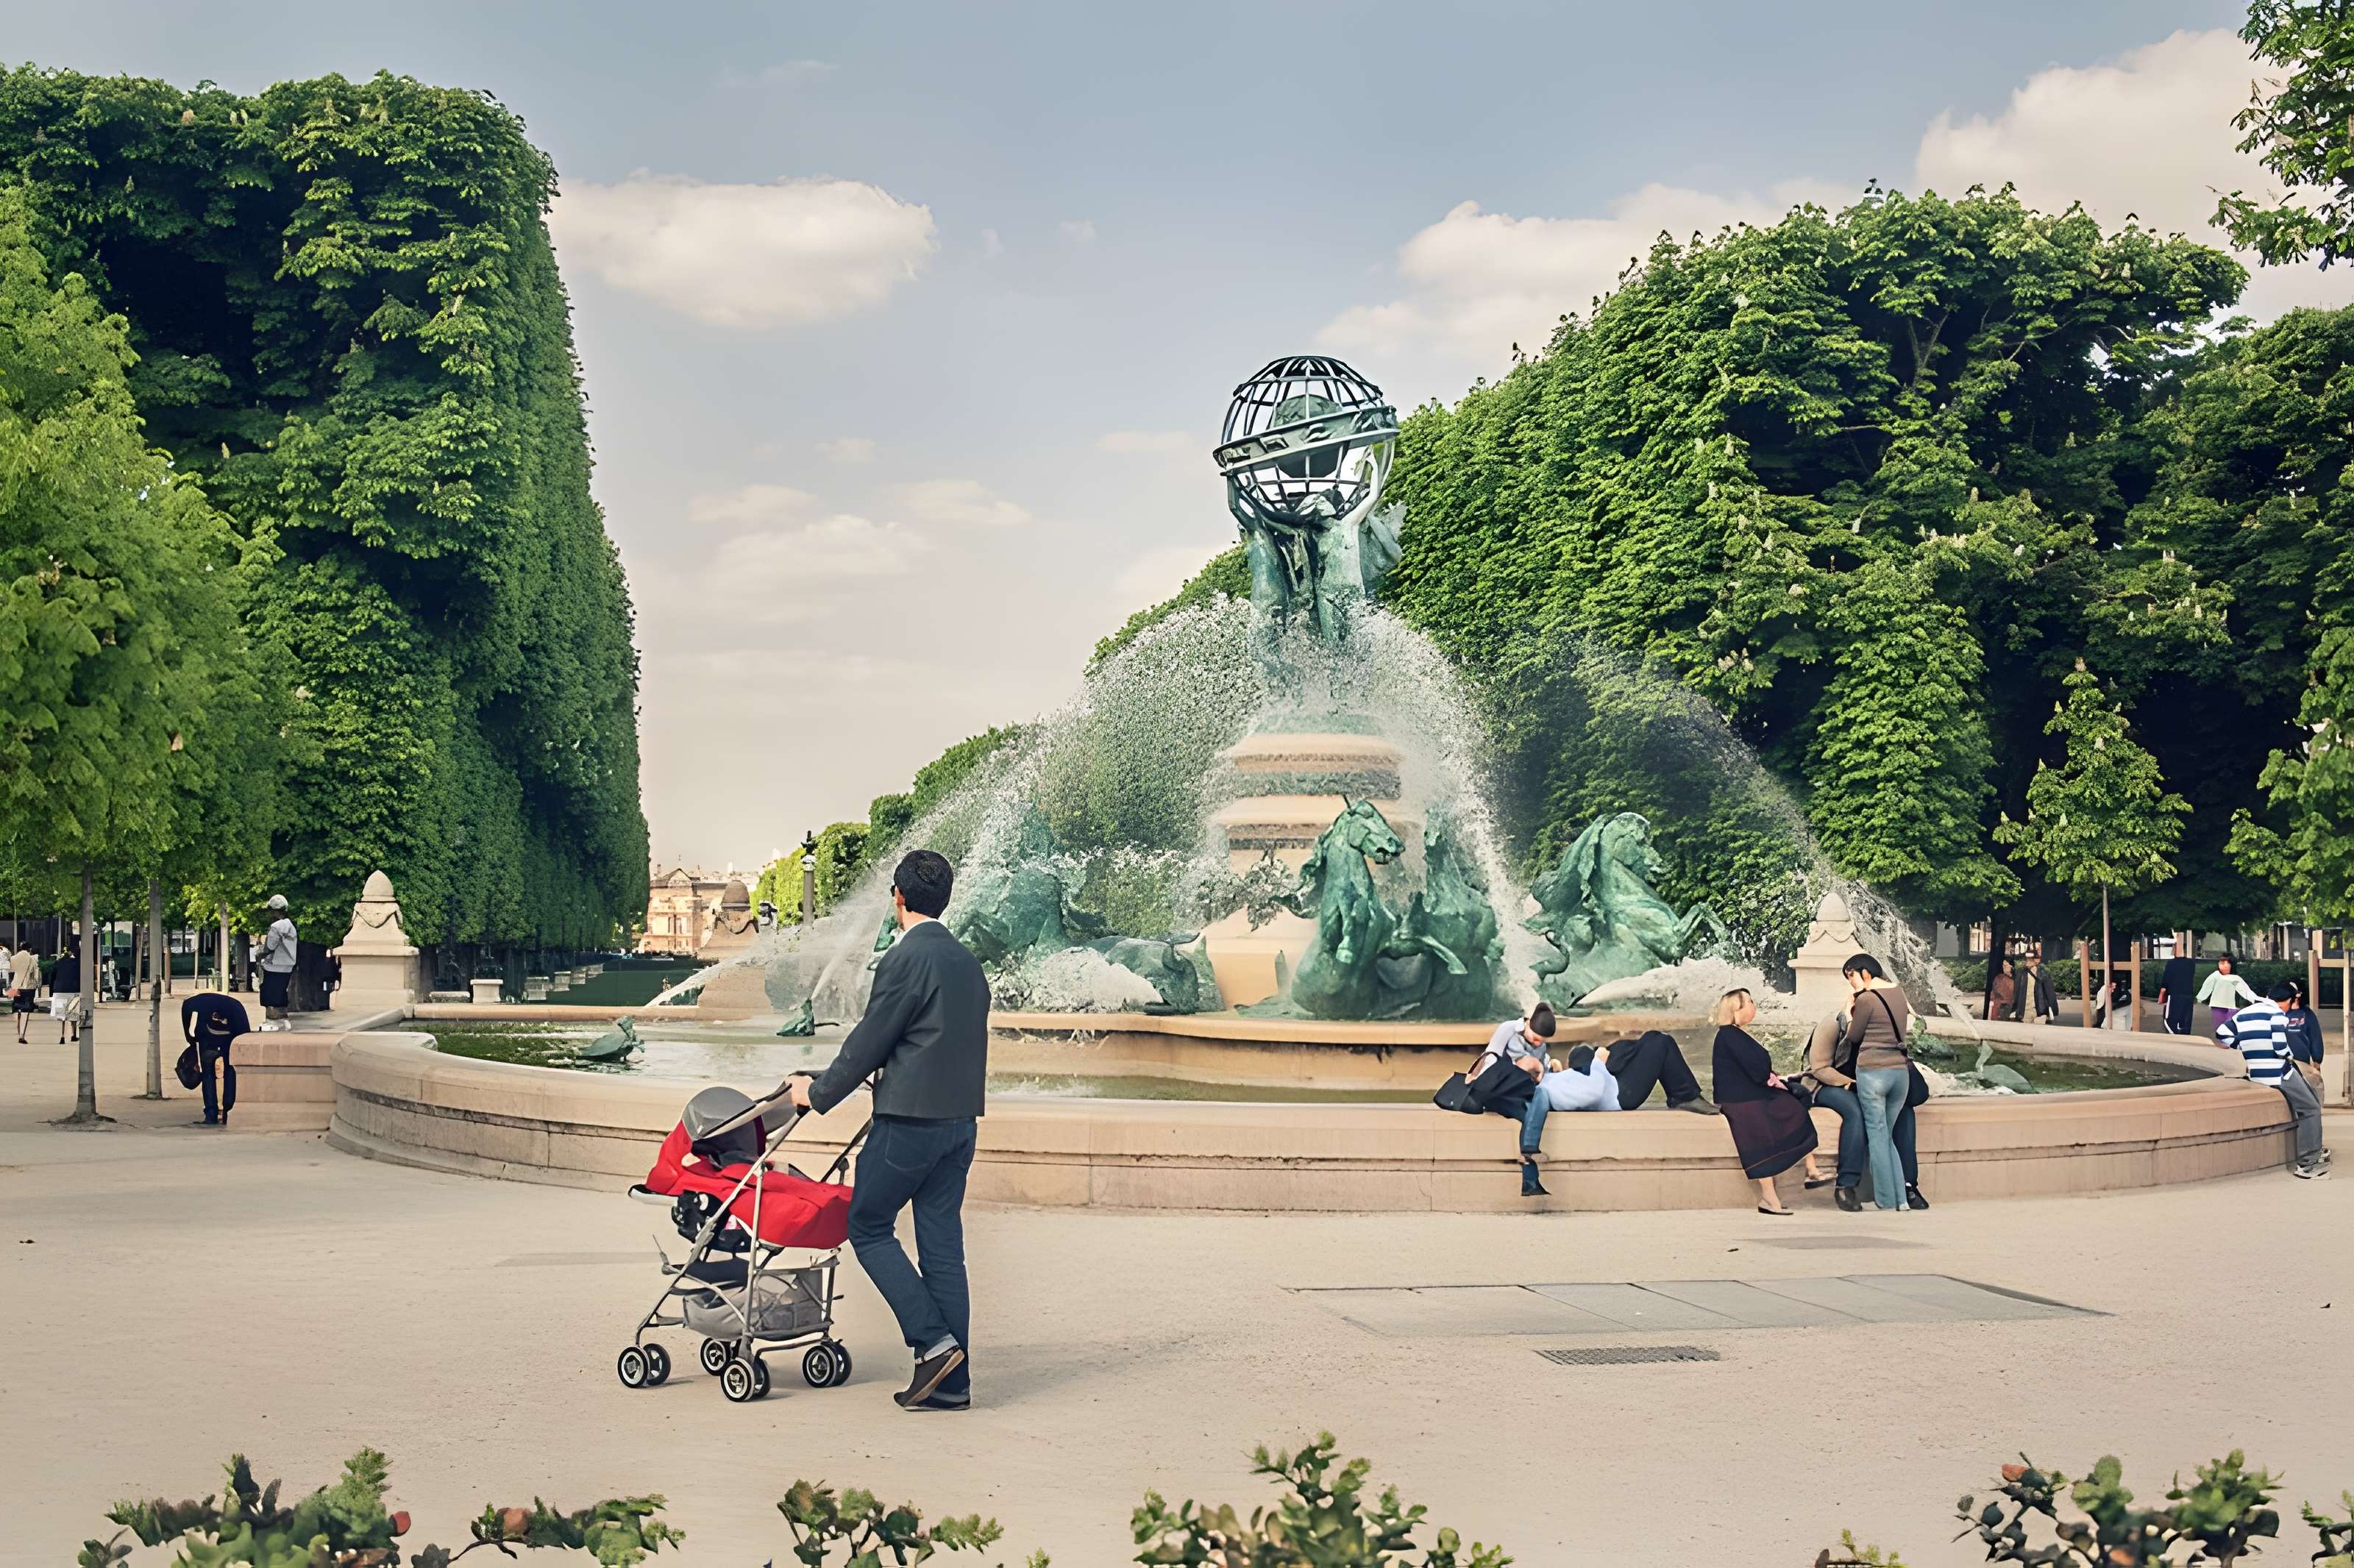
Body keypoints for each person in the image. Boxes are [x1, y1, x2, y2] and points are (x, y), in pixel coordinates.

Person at [784, 849, 989, 1411]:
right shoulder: (968, 963)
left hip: (909, 1125)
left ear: (897, 897)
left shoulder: (904, 960)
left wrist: (815, 1092)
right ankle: (953, 1383)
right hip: (960, 1125)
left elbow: (870, 1042)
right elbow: (931, 1042)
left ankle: (933, 1342)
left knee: (869, 1226)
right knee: (943, 1249)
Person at [1799, 1011, 1930, 1213]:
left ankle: (1908, 1185)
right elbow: (1820, 1068)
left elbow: (1918, 1094)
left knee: (1904, 1109)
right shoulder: (1834, 1024)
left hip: (1871, 1087)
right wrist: (1854, 1085)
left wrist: (1903, 1065)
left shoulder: (1888, 1035)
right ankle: (1846, 1185)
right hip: (1829, 1084)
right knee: (1855, 1110)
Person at [1710, 988, 1824, 1215]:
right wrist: (1770, 1078)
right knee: (1772, 1123)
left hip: (1747, 1095)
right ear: (1736, 1009)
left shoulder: (1733, 1034)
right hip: (1742, 1100)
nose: (1754, 1006)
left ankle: (1806, 1173)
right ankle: (1773, 1196)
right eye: (1749, 1002)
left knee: (1792, 1106)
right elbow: (1756, 1068)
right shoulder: (1730, 1035)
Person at [2218, 980, 2330, 1179]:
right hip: (2279, 1073)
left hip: (2256, 1073)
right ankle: (2309, 1164)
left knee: (2306, 1099)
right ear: (2286, 1000)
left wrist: (2243, 1047)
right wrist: (2288, 1054)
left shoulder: (2245, 1013)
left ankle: (2313, 1152)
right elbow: (2280, 1047)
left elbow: (2222, 1033)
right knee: (2311, 1108)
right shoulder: (2278, 1015)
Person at [1841, 954, 1913, 1211]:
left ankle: (1885, 1200)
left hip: (1873, 1072)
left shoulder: (1868, 999)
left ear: (1863, 972)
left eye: (1850, 976)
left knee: (1877, 1136)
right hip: (1900, 1074)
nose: (1850, 983)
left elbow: (1854, 1036)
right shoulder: (1899, 993)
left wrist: (1850, 1009)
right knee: (1887, 1137)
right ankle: (1902, 1200)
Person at [1465, 1003, 1558, 1196]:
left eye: (1542, 1041)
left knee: (1541, 1098)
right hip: (1497, 1091)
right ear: (1528, 1025)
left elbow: (1540, 1073)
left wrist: (1548, 1067)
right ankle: (1529, 1163)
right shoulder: (1508, 1029)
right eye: (1535, 1038)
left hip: (1518, 1095)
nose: (1537, 1043)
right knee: (1533, 1114)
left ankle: (1528, 1164)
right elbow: (1490, 1057)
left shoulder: (1541, 1047)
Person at [180, 989, 251, 1127]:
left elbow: (186, 1009)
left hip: (208, 1040)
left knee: (208, 1075)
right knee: (231, 1072)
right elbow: (244, 1031)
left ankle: (211, 1115)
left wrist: (188, 1035)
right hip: (230, 1040)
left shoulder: (195, 1002)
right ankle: (228, 1112)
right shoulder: (235, 1006)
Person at [258, 895, 298, 1027]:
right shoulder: (290, 925)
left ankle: (272, 1021)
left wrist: (260, 955)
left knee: (270, 993)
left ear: (274, 911)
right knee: (281, 992)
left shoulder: (276, 926)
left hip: (274, 966)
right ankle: (283, 1019)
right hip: (287, 965)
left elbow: (270, 946)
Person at [2197, 956, 2258, 1040]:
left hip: (2231, 1006)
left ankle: (2229, 1041)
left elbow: (2245, 990)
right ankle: (2221, 1041)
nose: (2225, 966)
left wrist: (2254, 999)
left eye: (2227, 964)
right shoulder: (2215, 975)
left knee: (2230, 1026)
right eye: (2222, 964)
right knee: (2219, 1026)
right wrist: (2200, 998)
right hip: (2217, 1005)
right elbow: (2207, 987)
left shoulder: (2235, 978)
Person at [2284, 980, 2327, 1098]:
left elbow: (2315, 1036)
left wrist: (2317, 1058)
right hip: (2282, 1060)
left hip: (2301, 1062)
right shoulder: (2278, 1013)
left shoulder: (2307, 1014)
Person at [47, 938, 81, 1047]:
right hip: (73, 990)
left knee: (62, 1015)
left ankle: (62, 1036)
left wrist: (52, 992)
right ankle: (74, 1034)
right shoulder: (77, 963)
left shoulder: (58, 963)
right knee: (73, 1014)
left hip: (59, 990)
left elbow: (52, 978)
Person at [2157, 951, 2197, 1036]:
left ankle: (2174, 1039)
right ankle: (2184, 1038)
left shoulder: (2171, 963)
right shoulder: (2191, 964)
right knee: (2185, 1022)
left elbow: (2165, 981)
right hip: (2188, 996)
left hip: (2174, 995)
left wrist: (2161, 997)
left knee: (2170, 1021)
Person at [8, 938, 40, 1044]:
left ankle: (18, 1032)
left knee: (17, 1009)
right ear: (29, 949)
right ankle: (22, 1034)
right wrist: (37, 986)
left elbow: (11, 971)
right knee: (26, 1011)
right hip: (28, 987)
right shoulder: (32, 959)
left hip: (15, 987)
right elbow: (35, 974)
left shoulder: (13, 958)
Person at [2019, 952, 2058, 1024]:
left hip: (2040, 1012)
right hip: (2026, 1013)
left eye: (2030, 959)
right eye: (2026, 959)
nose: (2027, 961)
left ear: (2037, 961)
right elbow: (2017, 993)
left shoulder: (2043, 975)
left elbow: (2050, 994)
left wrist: (2054, 1010)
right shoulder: (2022, 975)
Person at [1985, 959, 2015, 1025]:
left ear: (2011, 967)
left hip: (2010, 1006)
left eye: (2006, 966)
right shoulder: (1999, 978)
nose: (2004, 967)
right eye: (2003, 966)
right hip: (1997, 1005)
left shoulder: (2016, 979)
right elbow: (1993, 991)